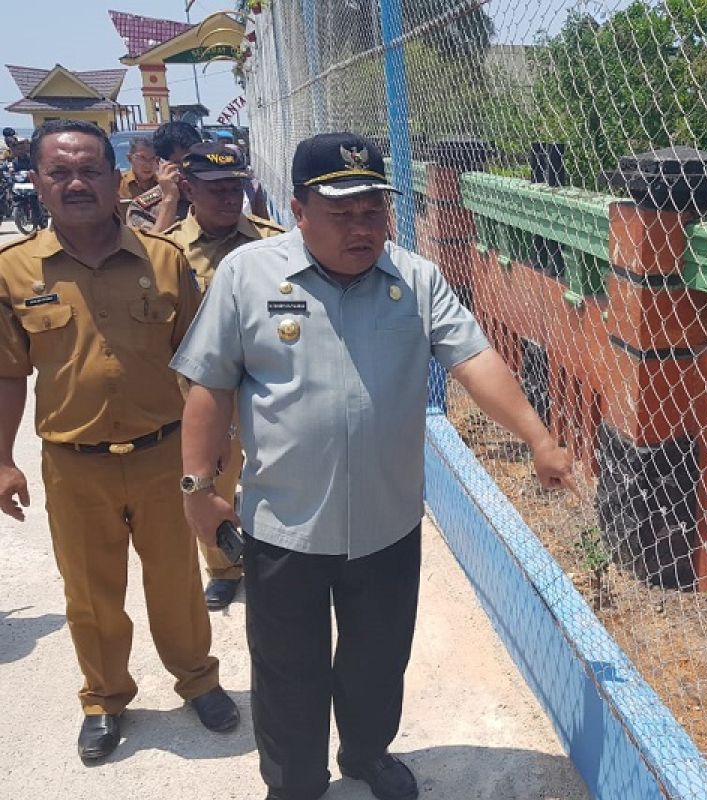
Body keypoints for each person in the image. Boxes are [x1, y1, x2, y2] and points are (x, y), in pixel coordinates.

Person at [172, 132, 573, 800]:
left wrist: (536, 435)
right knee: (288, 672)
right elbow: (209, 385)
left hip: (387, 524)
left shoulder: (415, 278)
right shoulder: (248, 276)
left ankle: (366, 754)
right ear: (299, 210)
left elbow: (474, 359)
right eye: (342, 211)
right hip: (285, 527)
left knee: (378, 661)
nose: (362, 227)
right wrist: (196, 488)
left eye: (373, 210)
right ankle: (294, 781)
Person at [0, 119, 239, 764]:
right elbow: (7, 374)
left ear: (114, 179)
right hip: (74, 464)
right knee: (90, 591)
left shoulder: (164, 261)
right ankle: (104, 699)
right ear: (39, 183)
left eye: (89, 171)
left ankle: (198, 681)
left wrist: (210, 457)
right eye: (59, 172)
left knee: (176, 582)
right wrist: (2, 461)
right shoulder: (15, 270)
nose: (76, 183)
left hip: (162, 454)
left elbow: (201, 366)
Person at [164, 141, 285, 610]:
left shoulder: (271, 242)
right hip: (203, 393)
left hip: (266, 385)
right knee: (211, 476)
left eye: (235, 186)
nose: (228, 197)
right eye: (215, 188)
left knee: (276, 477)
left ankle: (281, 557)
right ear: (189, 188)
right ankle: (223, 566)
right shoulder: (169, 249)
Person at [127, 121, 201, 233]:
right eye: (179, 165)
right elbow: (152, 248)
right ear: (159, 163)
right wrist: (170, 199)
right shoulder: (142, 209)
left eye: (193, 162)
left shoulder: (215, 193)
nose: (188, 172)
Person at [119, 135, 158, 200]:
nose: (148, 164)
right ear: (129, 158)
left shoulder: (163, 184)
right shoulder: (119, 184)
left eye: (152, 158)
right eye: (142, 158)